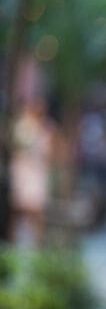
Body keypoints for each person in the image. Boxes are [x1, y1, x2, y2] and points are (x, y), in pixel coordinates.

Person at [9, 97, 56, 245]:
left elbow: (51, 153)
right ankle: (13, 243)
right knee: (19, 210)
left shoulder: (46, 128)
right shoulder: (23, 126)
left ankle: (37, 244)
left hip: (37, 174)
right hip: (24, 173)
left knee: (37, 212)